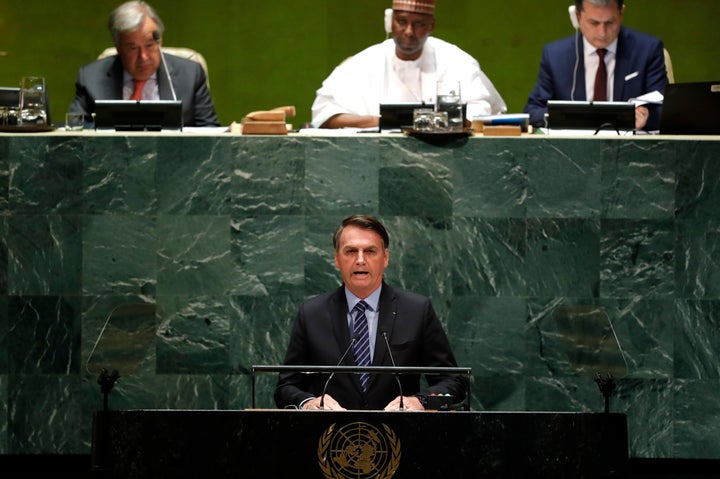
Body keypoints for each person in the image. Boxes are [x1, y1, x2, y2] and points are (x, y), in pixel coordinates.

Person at [274, 214, 467, 411]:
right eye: (350, 251)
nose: (360, 260)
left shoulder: (416, 310)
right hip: (331, 437)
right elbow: (286, 387)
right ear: (336, 259)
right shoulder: (312, 313)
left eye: (370, 251)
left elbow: (453, 382)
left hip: (401, 436)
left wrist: (420, 401)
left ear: (385, 258)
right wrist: (308, 403)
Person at [310, 0, 506, 129]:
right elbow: (325, 115)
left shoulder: (456, 61)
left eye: (419, 24)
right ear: (390, 22)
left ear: (432, 26)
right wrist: (382, 122)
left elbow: (480, 114)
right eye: (401, 21)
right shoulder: (364, 63)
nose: (409, 31)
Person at [68, 1, 219, 127]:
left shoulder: (190, 74)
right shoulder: (91, 77)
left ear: (160, 41)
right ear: (118, 47)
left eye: (150, 45)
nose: (143, 56)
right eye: (132, 48)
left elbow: (210, 130)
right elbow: (75, 128)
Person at [524, 0, 667, 132]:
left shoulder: (647, 50)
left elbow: (667, 111)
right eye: (594, 23)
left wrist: (647, 116)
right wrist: (566, 117)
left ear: (621, 13)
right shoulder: (555, 55)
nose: (602, 33)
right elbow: (532, 111)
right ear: (578, 16)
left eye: (610, 22)